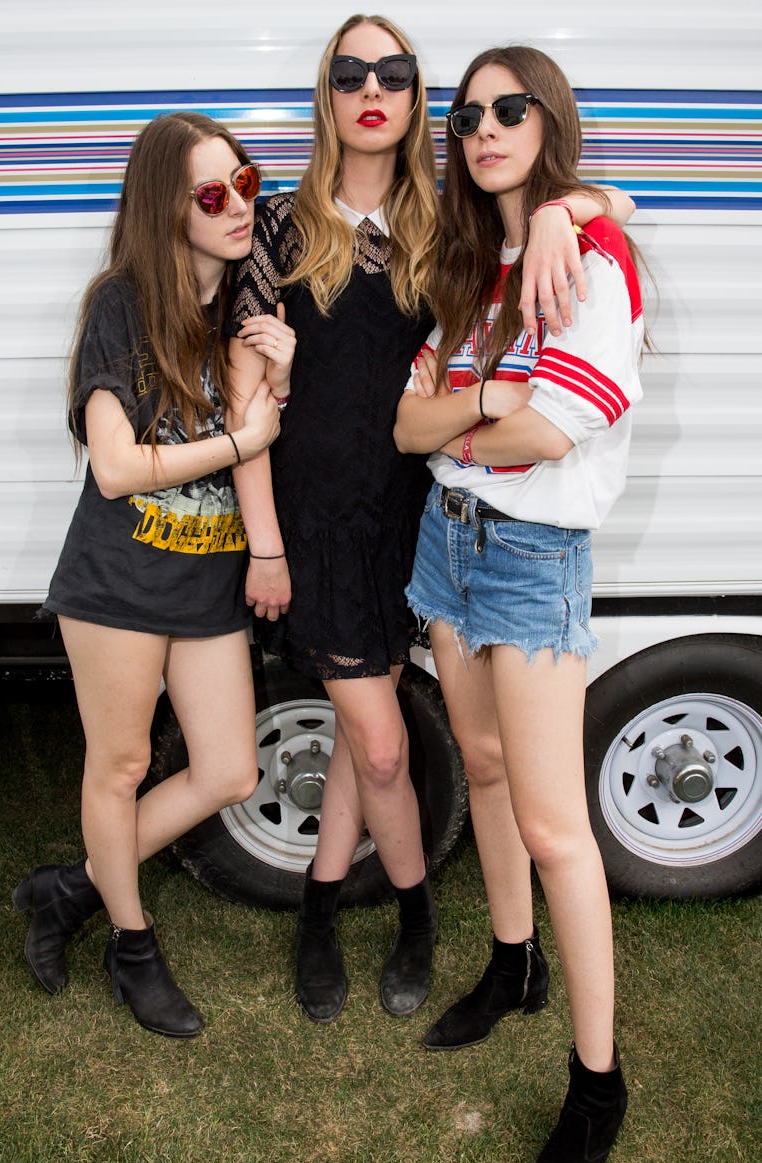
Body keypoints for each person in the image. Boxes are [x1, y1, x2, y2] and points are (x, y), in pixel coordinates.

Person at [226, 13, 635, 1027]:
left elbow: (591, 207)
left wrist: (560, 211)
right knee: (376, 744)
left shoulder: (441, 226)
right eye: (350, 72)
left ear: (415, 103)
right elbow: (244, 394)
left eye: (398, 73)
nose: (374, 87)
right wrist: (266, 538)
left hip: (422, 521)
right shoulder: (279, 227)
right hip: (318, 526)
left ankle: (343, 912)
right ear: (327, 94)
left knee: (384, 741)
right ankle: (393, 918)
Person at [394, 45, 645, 1163]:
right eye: (469, 113)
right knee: (484, 768)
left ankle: (597, 1087)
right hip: (447, 545)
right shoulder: (467, 265)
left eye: (510, 107)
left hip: (533, 559)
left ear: (549, 120)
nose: (485, 126)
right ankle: (513, 963)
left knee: (557, 825)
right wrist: (480, 411)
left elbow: (555, 436)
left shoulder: (594, 255)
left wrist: (470, 418)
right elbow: (407, 424)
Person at [12, 111, 295, 1039]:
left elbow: (258, 445)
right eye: (212, 194)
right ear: (167, 211)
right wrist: (238, 436)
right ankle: (131, 943)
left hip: (206, 585)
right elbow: (117, 468)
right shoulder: (123, 304)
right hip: (118, 581)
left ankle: (70, 889)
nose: (237, 205)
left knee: (228, 769)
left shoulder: (243, 316)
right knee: (123, 765)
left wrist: (275, 390)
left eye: (245, 182)